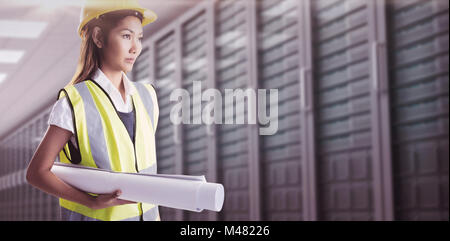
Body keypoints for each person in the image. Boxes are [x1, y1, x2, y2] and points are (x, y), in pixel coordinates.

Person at [26, 0, 160, 221]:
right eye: (126, 36)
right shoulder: (75, 102)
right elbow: (37, 173)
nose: (135, 47)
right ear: (98, 37)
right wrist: (90, 201)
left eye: (139, 38)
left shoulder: (148, 97)